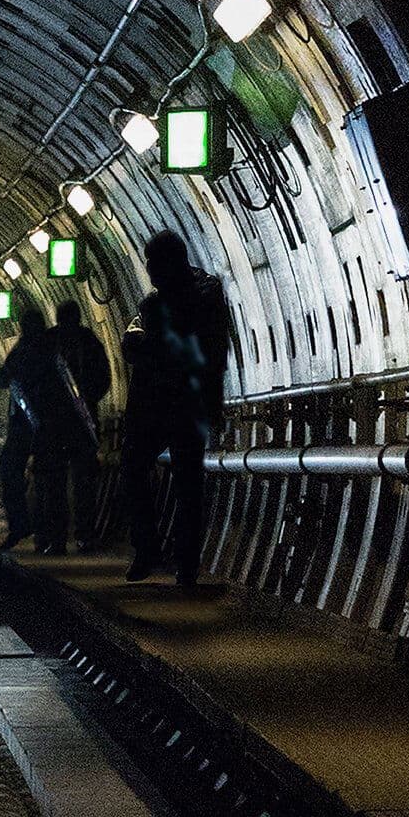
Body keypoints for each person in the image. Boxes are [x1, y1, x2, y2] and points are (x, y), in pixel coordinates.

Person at [123, 231, 234, 586]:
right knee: (160, 477)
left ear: (170, 263)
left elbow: (189, 350)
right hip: (167, 406)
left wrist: (149, 343)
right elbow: (134, 344)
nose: (149, 270)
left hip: (183, 403)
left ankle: (177, 561)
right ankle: (159, 553)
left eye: (153, 263)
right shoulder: (160, 303)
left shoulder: (195, 299)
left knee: (181, 483)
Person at [0, 314, 91, 554]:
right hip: (51, 427)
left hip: (36, 426)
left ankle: (32, 530)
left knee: (30, 477)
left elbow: (3, 377)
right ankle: (50, 537)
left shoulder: (27, 350)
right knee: (51, 483)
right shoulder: (52, 350)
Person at [53, 301, 112, 547]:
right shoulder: (89, 342)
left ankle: (57, 537)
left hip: (56, 425)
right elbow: (104, 378)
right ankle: (83, 534)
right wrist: (88, 400)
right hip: (82, 423)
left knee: (56, 482)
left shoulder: (50, 341)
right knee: (82, 482)